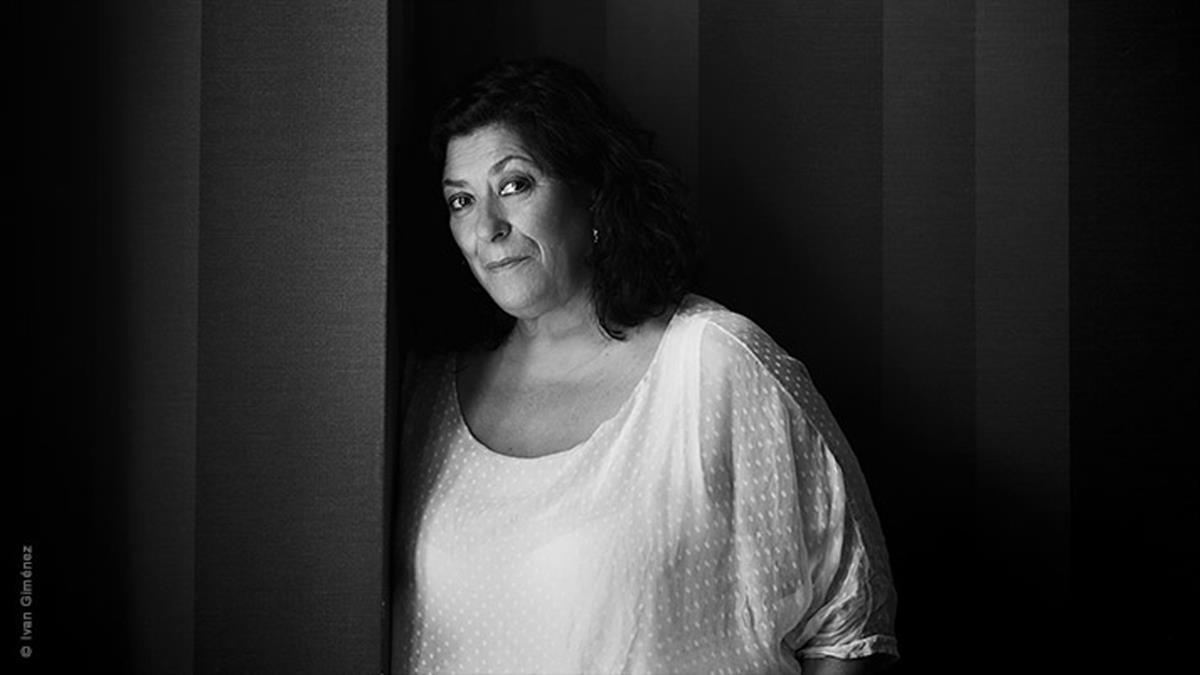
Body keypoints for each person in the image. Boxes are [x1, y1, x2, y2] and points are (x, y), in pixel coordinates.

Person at [391, 58, 898, 675]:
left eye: (515, 185)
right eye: (461, 201)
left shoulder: (713, 365)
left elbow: (846, 623)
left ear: (591, 193)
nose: (487, 228)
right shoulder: (423, 394)